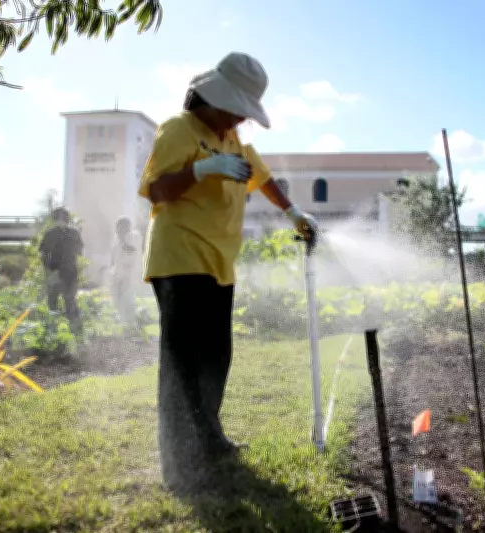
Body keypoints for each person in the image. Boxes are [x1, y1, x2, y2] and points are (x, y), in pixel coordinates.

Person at [138, 51, 318, 492]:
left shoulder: (233, 139)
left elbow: (263, 177)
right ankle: (180, 459)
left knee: (217, 355)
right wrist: (202, 169)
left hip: (219, 261)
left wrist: (293, 212)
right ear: (213, 98)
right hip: (179, 257)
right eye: (237, 109)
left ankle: (209, 438)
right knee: (183, 359)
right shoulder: (179, 129)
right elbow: (156, 190)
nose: (241, 119)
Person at [39, 207, 84, 325]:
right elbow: (44, 253)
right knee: (54, 300)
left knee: (69, 299)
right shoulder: (51, 233)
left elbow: (79, 251)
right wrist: (48, 271)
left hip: (70, 271)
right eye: (60, 218)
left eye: (64, 218)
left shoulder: (73, 233)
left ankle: (72, 324)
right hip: (56, 271)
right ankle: (55, 325)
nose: (62, 220)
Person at [110, 216, 141, 326]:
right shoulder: (117, 239)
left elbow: (132, 250)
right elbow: (114, 255)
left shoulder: (134, 236)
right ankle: (123, 319)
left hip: (130, 274)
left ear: (127, 227)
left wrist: (123, 240)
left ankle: (130, 321)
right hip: (117, 273)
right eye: (117, 227)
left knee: (128, 297)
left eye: (121, 227)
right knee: (117, 297)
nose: (118, 230)